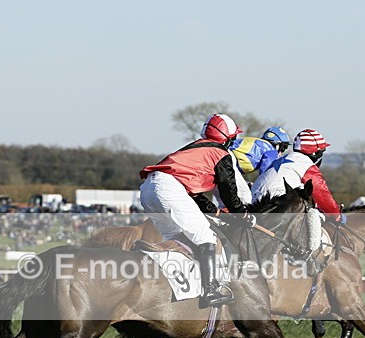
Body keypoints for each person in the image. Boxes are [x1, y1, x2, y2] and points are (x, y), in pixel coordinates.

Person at [140, 114, 251, 308]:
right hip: (168, 189)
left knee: (179, 239)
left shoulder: (194, 148)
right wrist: (242, 214)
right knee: (205, 238)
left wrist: (214, 211)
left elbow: (192, 194)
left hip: (149, 189)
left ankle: (179, 286)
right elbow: (229, 193)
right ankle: (210, 290)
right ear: (229, 138)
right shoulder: (221, 154)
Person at [251, 128, 341, 218]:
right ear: (314, 152)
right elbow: (322, 195)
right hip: (275, 205)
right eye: (321, 152)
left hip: (254, 202)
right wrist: (336, 214)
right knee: (313, 217)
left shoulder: (282, 159)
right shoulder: (306, 164)